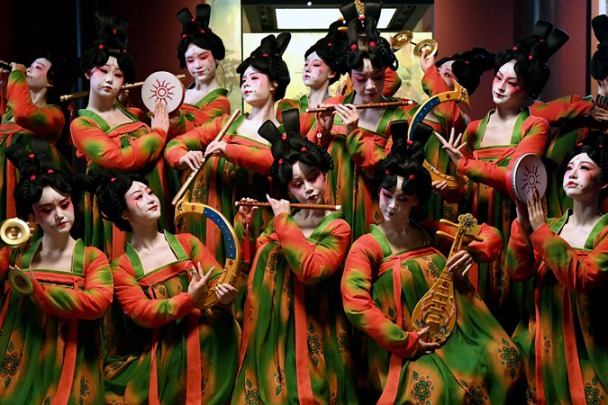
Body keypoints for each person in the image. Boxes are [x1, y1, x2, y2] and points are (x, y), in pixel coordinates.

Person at [341, 120, 523, 404]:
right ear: (378, 191)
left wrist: (475, 252)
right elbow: (356, 304)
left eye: (403, 199)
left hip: (458, 330)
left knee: (503, 359)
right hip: (408, 343)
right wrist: (404, 341)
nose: (392, 206)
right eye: (387, 195)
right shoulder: (367, 246)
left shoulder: (429, 232)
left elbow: (491, 236)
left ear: (416, 200)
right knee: (436, 390)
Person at [436, 21, 567, 326]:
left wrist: (465, 164)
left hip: (515, 218)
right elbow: (466, 187)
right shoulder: (473, 129)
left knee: (516, 293)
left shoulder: (534, 126)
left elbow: (515, 180)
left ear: (528, 90)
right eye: (498, 77)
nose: (500, 86)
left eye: (511, 83)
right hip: (479, 219)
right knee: (479, 296)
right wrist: (450, 187)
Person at [231, 109, 357, 404]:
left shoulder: (337, 227)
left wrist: (283, 221)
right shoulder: (285, 221)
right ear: (287, 189)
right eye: (297, 185)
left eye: (313, 178)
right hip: (275, 324)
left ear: (324, 175)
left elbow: (310, 270)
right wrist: (246, 222)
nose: (309, 190)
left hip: (315, 325)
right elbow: (255, 258)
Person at [86, 169, 239, 404]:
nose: (150, 199)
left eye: (149, 192)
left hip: (209, 328)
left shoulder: (187, 243)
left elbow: (218, 278)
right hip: (166, 343)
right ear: (124, 213)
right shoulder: (121, 268)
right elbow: (142, 312)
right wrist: (188, 300)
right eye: (139, 197)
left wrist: (225, 295)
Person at [0, 140, 112, 404]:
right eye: (47, 210)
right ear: (33, 217)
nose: (60, 215)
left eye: (65, 204)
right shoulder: (19, 252)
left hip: (70, 351)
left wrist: (38, 291)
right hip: (21, 350)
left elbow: (98, 302)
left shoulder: (91, 258)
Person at [165, 33, 290, 265]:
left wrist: (228, 150)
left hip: (251, 223)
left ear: (274, 84)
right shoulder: (226, 123)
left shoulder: (284, 133)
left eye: (254, 78)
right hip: (207, 218)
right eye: (243, 80)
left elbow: (275, 163)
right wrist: (182, 157)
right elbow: (175, 144)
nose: (246, 83)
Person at [505, 135, 608, 404]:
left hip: (590, 341)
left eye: (584, 168)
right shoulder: (551, 226)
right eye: (569, 167)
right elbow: (517, 271)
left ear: (604, 182)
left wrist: (540, 231)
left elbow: (582, 279)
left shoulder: (604, 233)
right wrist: (523, 224)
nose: (572, 173)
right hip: (546, 338)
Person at [70, 13, 170, 259]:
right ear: (88, 72)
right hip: (117, 205)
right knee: (122, 260)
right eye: (103, 70)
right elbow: (118, 159)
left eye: (118, 75)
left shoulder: (134, 114)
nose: (109, 80)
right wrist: (158, 133)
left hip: (150, 197)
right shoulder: (82, 124)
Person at [0, 52, 73, 223]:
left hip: (29, 184)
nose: (28, 69)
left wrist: (16, 74)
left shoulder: (54, 115)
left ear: (50, 82)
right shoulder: (8, 113)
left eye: (38, 67)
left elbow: (24, 114)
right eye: (30, 65)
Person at [276, 19, 347, 135]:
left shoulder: (341, 107)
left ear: (332, 73)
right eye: (306, 64)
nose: (307, 69)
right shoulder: (289, 105)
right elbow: (290, 134)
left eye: (316, 65)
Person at [171, 3, 231, 137]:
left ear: (216, 57)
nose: (197, 65)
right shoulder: (181, 93)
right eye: (190, 60)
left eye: (203, 57)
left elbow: (197, 134)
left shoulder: (220, 102)